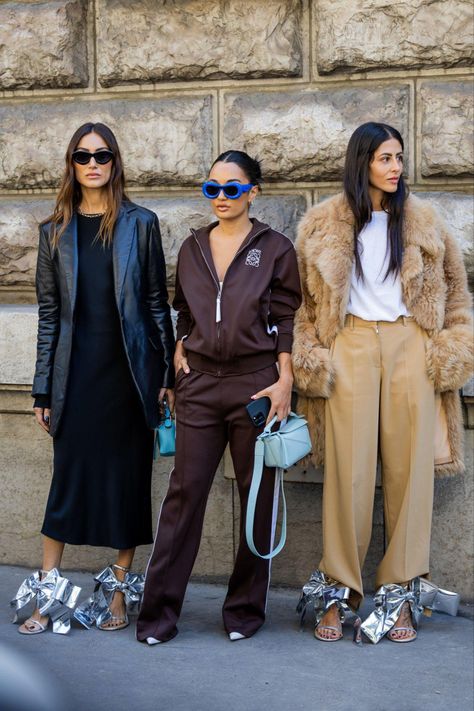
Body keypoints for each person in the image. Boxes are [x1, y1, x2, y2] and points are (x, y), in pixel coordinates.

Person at [292, 122, 472, 643]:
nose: (395, 167)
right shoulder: (323, 225)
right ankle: (340, 591)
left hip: (410, 346)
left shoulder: (423, 224)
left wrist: (449, 350)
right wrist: (314, 355)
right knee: (347, 473)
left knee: (408, 474)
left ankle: (400, 593)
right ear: (362, 162)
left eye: (399, 157)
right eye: (385, 158)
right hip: (348, 345)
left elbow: (457, 296)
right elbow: (305, 305)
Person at [12, 122, 175, 634]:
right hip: (75, 378)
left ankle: (119, 595)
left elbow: (155, 304)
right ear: (72, 164)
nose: (93, 164)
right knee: (67, 483)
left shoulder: (140, 224)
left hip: (131, 376)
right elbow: (49, 314)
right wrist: (42, 387)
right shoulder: (53, 232)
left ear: (114, 162)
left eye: (102, 155)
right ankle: (46, 594)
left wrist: (166, 374)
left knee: (128, 483)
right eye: (83, 156)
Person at [136, 150, 302, 644]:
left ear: (254, 191)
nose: (222, 198)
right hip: (200, 386)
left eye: (232, 188)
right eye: (213, 189)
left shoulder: (275, 248)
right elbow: (182, 307)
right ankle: (158, 616)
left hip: (257, 386)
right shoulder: (192, 247)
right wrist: (181, 346)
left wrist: (286, 377)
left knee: (259, 498)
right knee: (183, 498)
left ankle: (245, 612)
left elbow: (289, 315)